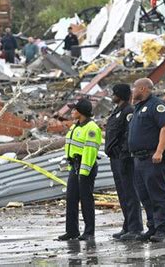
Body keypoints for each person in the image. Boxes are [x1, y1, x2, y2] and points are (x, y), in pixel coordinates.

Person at [128, 78, 165, 243]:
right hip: (139, 159)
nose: (133, 91)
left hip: (153, 158)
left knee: (157, 196)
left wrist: (159, 151)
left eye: (135, 88)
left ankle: (163, 231)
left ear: (142, 88)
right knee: (145, 196)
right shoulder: (139, 108)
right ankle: (152, 227)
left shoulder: (157, 105)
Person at [58, 98, 102, 241]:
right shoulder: (75, 126)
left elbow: (90, 152)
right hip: (75, 166)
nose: (72, 111)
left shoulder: (92, 128)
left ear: (81, 112)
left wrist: (84, 172)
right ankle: (72, 231)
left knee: (86, 200)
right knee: (71, 199)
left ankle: (89, 232)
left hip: (85, 168)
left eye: (74, 109)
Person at [105, 84, 143, 241]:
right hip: (115, 158)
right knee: (122, 193)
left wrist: (123, 153)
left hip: (124, 159)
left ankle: (135, 227)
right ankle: (127, 225)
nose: (112, 95)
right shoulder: (117, 111)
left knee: (130, 193)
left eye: (114, 93)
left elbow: (129, 135)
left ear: (120, 95)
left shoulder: (128, 111)